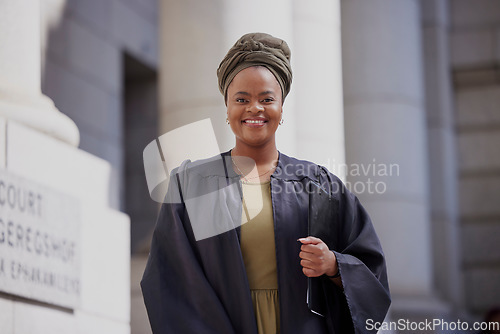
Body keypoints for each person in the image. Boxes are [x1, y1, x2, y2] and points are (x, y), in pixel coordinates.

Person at [141, 32, 391, 334]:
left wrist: (334, 265)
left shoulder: (319, 186)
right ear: (228, 109)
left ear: (282, 108)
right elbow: (170, 279)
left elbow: (371, 271)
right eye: (241, 99)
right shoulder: (194, 185)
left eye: (267, 99)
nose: (254, 108)